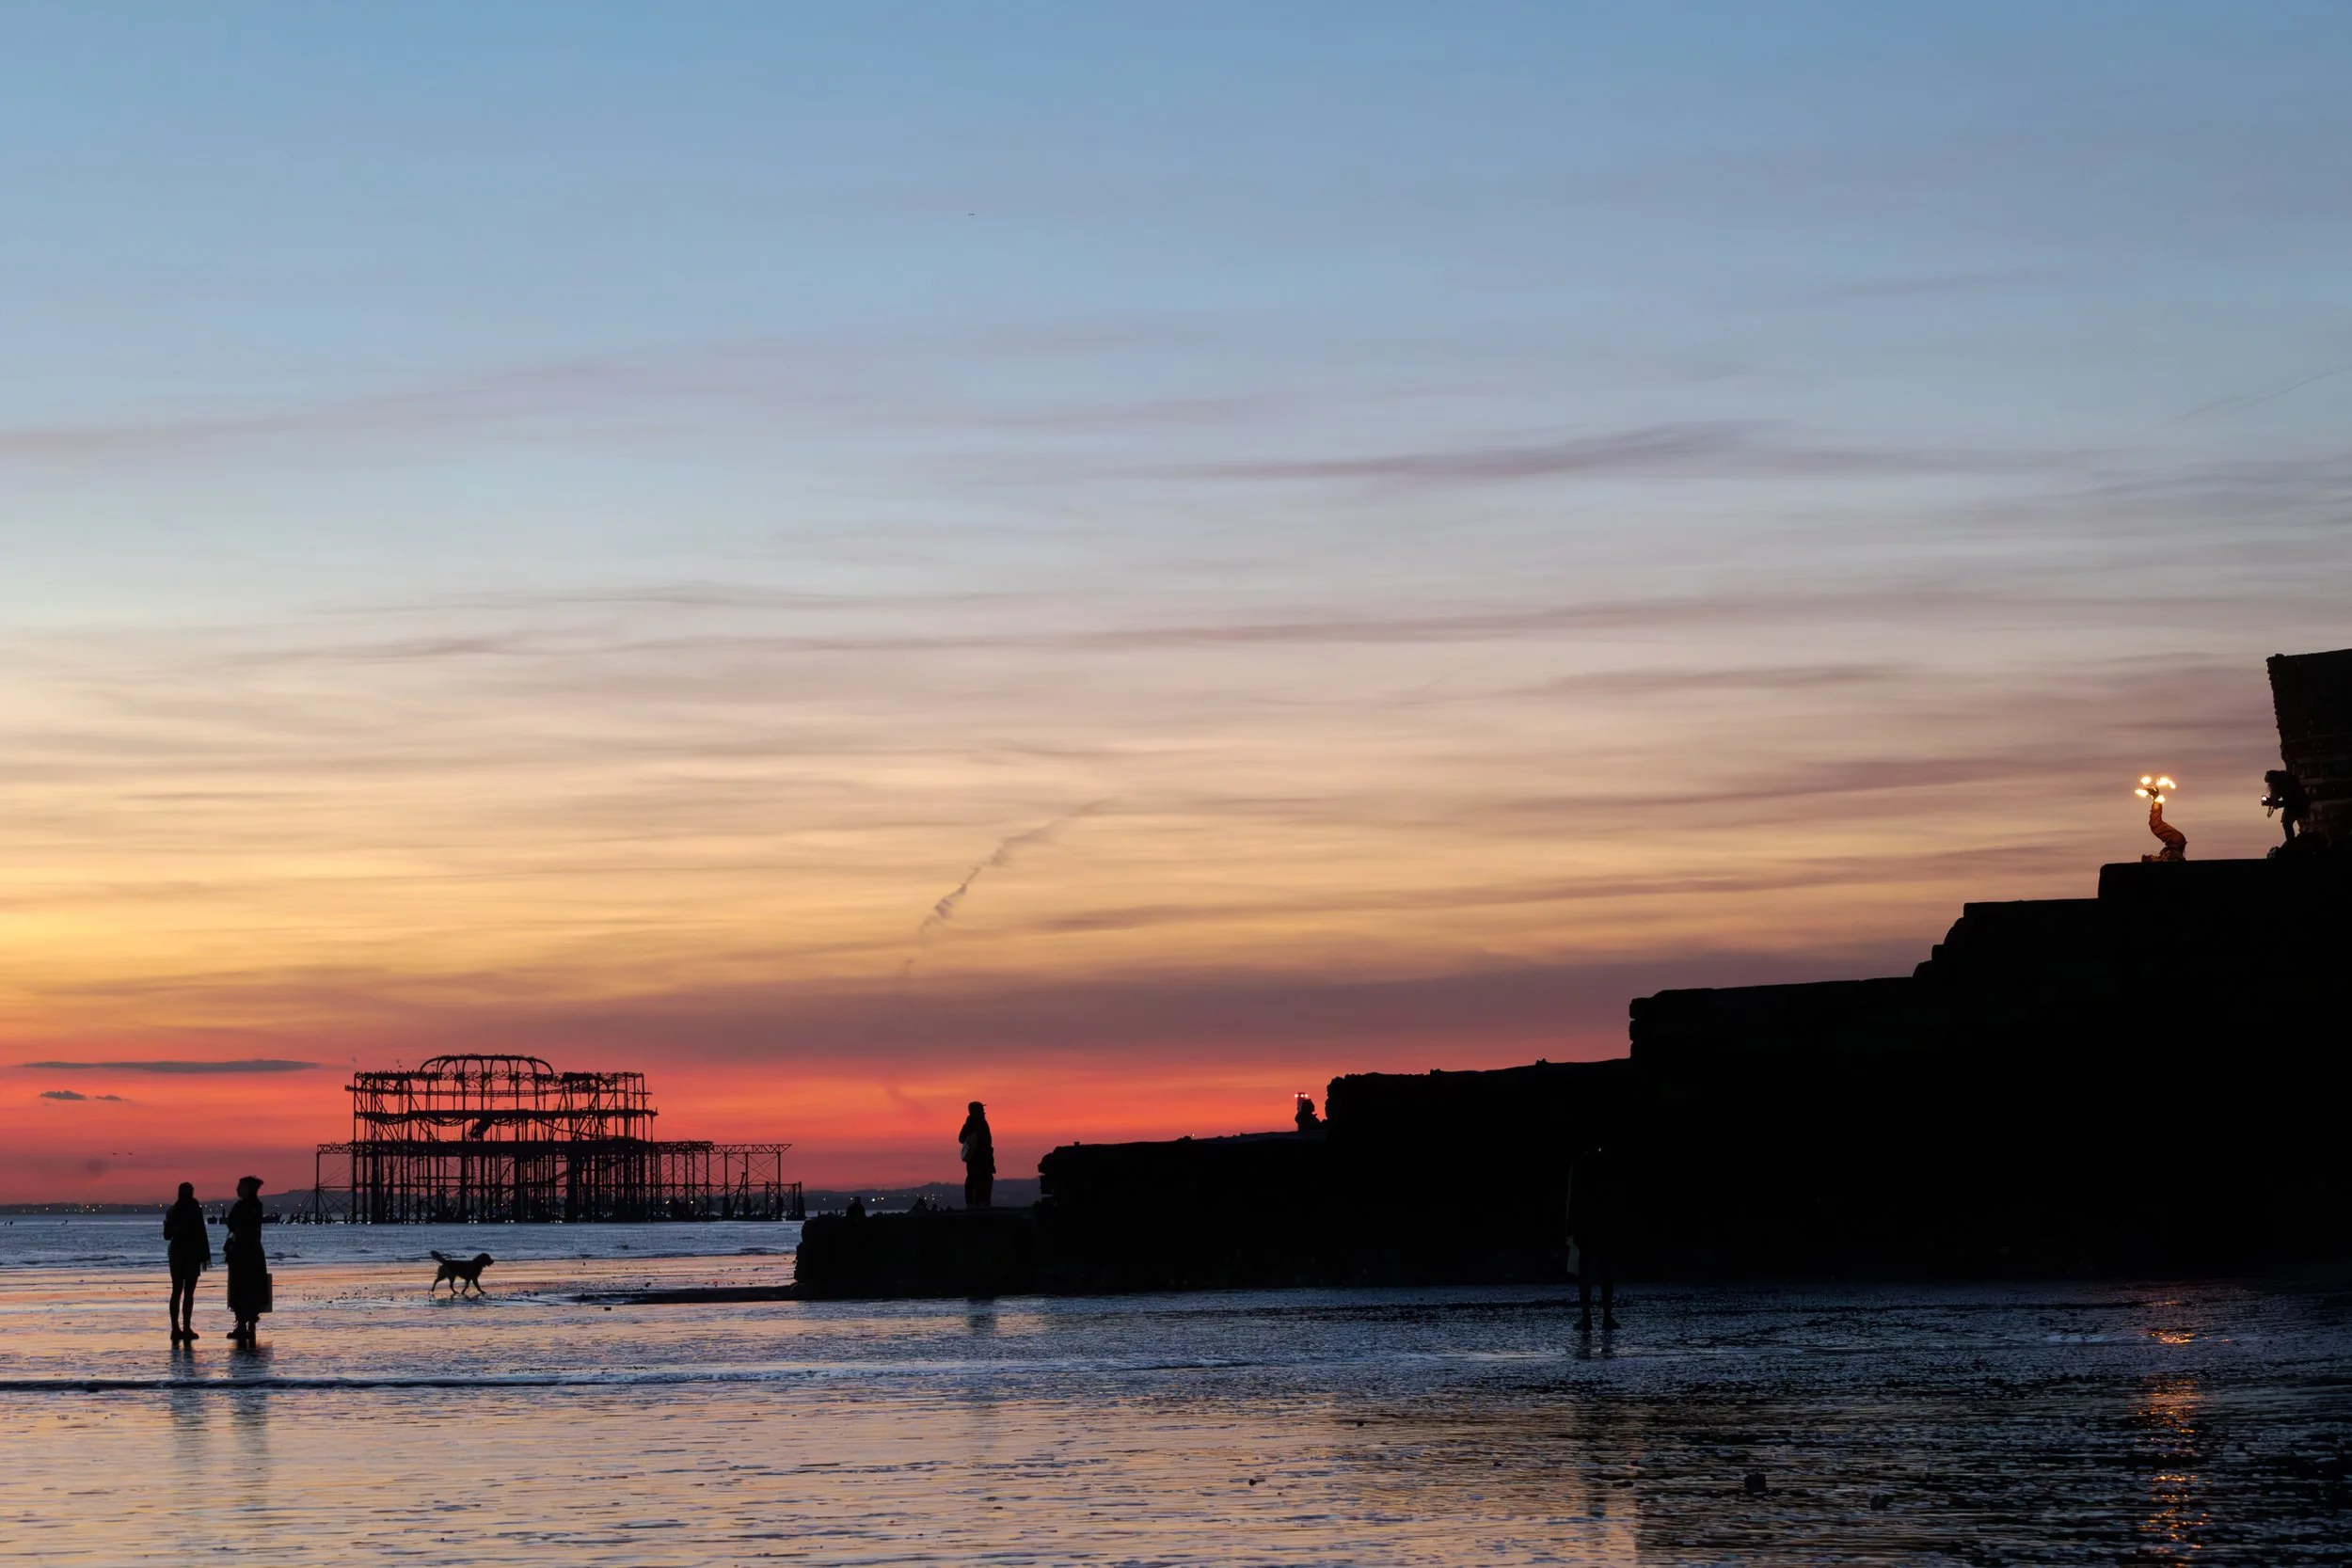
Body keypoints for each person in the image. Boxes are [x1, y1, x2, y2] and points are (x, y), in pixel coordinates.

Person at [1565, 1146, 1619, 1331]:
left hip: (1585, 1225)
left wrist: (1569, 1226)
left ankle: (1587, 1317)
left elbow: (1572, 1197)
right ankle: (1606, 1317)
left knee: (1585, 1272)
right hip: (1604, 1224)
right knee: (1606, 1271)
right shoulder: (1608, 1164)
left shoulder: (1580, 1164)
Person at [222, 1175, 271, 1342]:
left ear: (247, 1189)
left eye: (240, 1186)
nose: (237, 1189)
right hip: (255, 1250)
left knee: (240, 1286)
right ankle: (250, 1325)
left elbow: (231, 1224)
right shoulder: (258, 1205)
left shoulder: (241, 1206)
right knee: (254, 1286)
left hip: (242, 1250)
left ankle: (242, 1326)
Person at [163, 1182, 210, 1341]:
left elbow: (167, 1235)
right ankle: (185, 1327)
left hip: (178, 1253)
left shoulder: (173, 1210)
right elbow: (201, 1233)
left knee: (177, 1290)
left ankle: (176, 1328)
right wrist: (204, 1254)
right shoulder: (194, 1209)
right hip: (190, 1254)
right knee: (188, 1292)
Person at [959, 1101, 995, 1210]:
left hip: (978, 1158)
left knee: (975, 1179)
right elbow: (961, 1138)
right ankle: (980, 1203)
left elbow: (961, 1138)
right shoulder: (977, 1123)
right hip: (981, 1158)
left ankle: (974, 1203)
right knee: (982, 1179)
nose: (983, 1112)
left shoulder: (970, 1123)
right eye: (981, 1110)